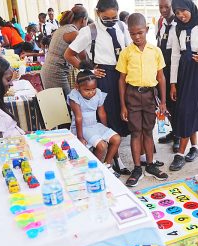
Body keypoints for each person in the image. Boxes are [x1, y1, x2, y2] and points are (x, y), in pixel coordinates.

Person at [65, 0, 132, 175]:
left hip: (122, 75)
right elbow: (69, 54)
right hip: (103, 77)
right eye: (106, 18)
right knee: (108, 115)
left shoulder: (122, 27)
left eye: (114, 17)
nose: (111, 21)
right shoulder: (89, 31)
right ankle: (116, 159)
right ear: (97, 13)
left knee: (121, 115)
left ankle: (116, 154)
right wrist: (88, 70)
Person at [117, 13, 168, 186]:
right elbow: (121, 80)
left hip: (149, 96)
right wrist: (123, 105)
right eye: (133, 34)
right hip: (132, 95)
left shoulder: (155, 51)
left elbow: (161, 77)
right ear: (129, 33)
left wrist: (163, 102)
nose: (137, 37)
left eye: (140, 32)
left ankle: (150, 165)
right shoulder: (126, 53)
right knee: (135, 132)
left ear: (146, 30)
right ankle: (137, 167)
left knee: (148, 130)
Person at [168, 0, 198, 171]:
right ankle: (194, 147)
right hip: (185, 72)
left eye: (184, 10)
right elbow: (175, 55)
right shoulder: (176, 28)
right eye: (177, 12)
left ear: (191, 7)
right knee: (187, 109)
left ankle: (180, 153)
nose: (181, 15)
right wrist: (173, 83)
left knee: (188, 110)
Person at [67, 61, 121, 176]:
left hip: (95, 125)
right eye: (87, 90)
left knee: (116, 138)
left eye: (93, 89)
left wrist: (105, 130)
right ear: (77, 86)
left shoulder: (98, 93)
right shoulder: (74, 95)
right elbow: (78, 118)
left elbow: (102, 113)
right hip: (81, 128)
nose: (91, 92)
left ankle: (106, 165)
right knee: (102, 145)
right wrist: (80, 137)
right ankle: (93, 169)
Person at [41, 5, 88, 97]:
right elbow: (83, 57)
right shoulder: (74, 33)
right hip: (56, 73)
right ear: (83, 20)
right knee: (67, 103)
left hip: (48, 70)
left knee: (58, 103)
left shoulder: (62, 28)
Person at [156, 0, 180, 153]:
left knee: (176, 103)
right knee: (167, 106)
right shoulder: (160, 22)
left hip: (175, 67)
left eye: (167, 7)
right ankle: (173, 131)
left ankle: (179, 135)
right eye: (161, 7)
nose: (164, 10)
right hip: (162, 67)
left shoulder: (179, 22)